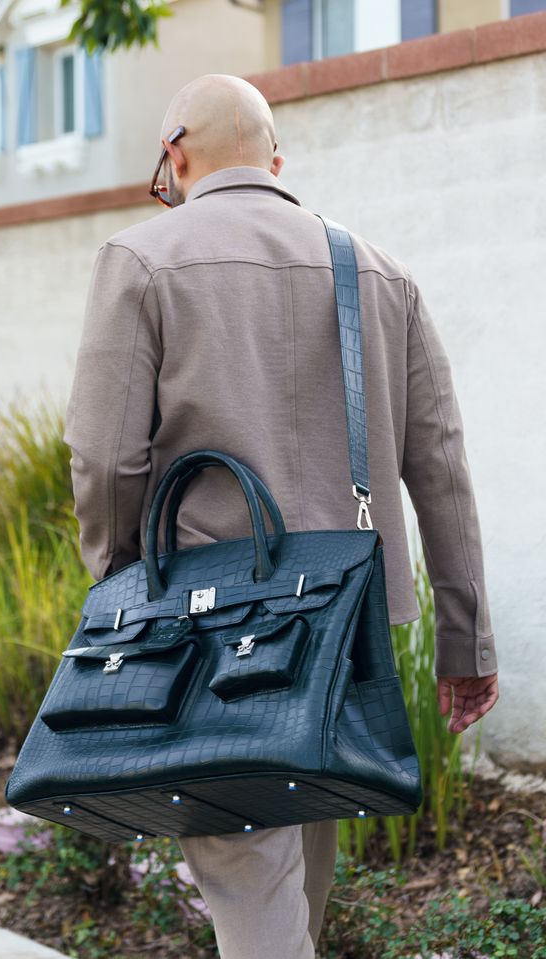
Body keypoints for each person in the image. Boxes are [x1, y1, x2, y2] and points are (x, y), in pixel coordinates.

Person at [63, 72, 499, 959]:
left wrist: (119, 589)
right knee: (299, 859)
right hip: (348, 630)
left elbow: (107, 457)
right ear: (275, 161)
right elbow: (441, 466)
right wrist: (467, 641)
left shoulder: (143, 259)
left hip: (213, 632)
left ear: (175, 153)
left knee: (248, 873)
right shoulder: (380, 271)